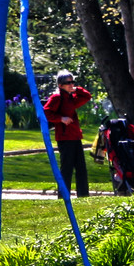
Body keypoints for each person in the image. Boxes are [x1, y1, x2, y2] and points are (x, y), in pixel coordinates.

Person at [42, 69, 91, 198]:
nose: (71, 84)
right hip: (64, 138)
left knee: (81, 168)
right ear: (60, 85)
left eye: (72, 81)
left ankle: (83, 195)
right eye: (67, 82)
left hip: (75, 136)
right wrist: (61, 119)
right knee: (67, 168)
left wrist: (77, 89)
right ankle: (63, 195)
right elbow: (45, 113)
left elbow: (87, 97)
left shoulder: (71, 97)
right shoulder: (57, 97)